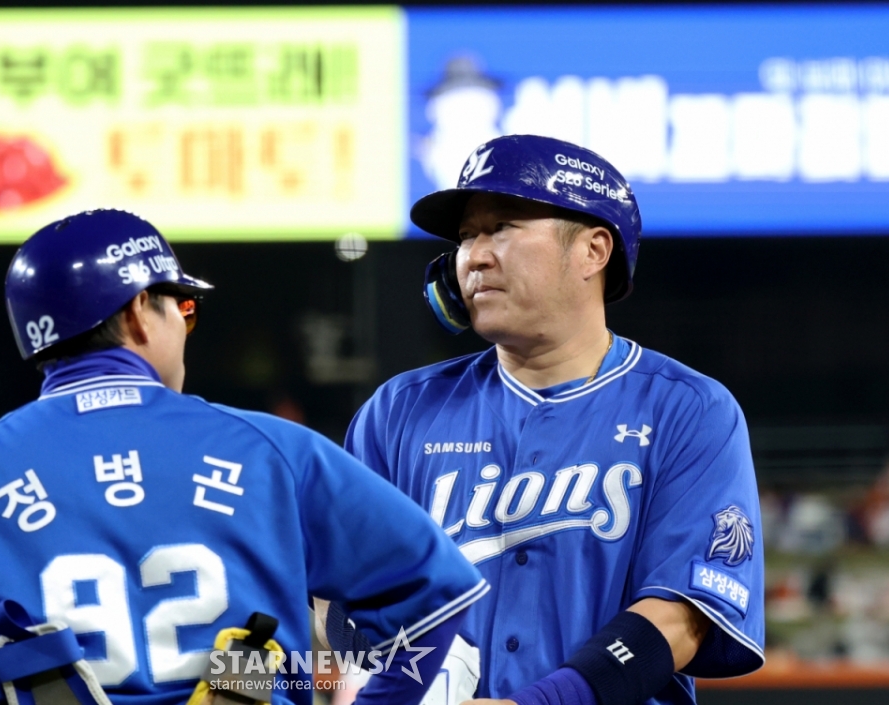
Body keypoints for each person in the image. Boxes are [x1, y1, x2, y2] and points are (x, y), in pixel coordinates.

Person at [0, 209, 488, 705]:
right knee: (256, 651)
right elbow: (438, 594)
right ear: (140, 307)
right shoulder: (273, 448)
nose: (186, 325)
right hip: (239, 696)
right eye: (184, 308)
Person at [323, 135, 764, 705]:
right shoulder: (397, 412)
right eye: (465, 236)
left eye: (502, 227)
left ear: (592, 252)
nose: (474, 256)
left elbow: (684, 615)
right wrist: (402, 667)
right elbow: (335, 602)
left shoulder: (688, 409)